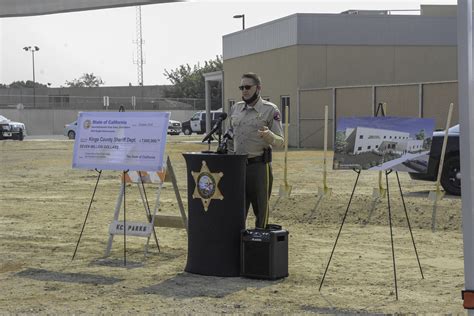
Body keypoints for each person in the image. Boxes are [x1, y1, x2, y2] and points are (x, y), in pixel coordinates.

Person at [228, 72, 284, 228]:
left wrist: (269, 136)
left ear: (258, 88)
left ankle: (260, 245)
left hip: (258, 167)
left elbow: (281, 142)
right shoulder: (236, 109)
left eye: (247, 87)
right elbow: (230, 137)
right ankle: (239, 246)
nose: (244, 91)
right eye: (241, 87)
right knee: (237, 211)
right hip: (238, 168)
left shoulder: (270, 110)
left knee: (261, 210)